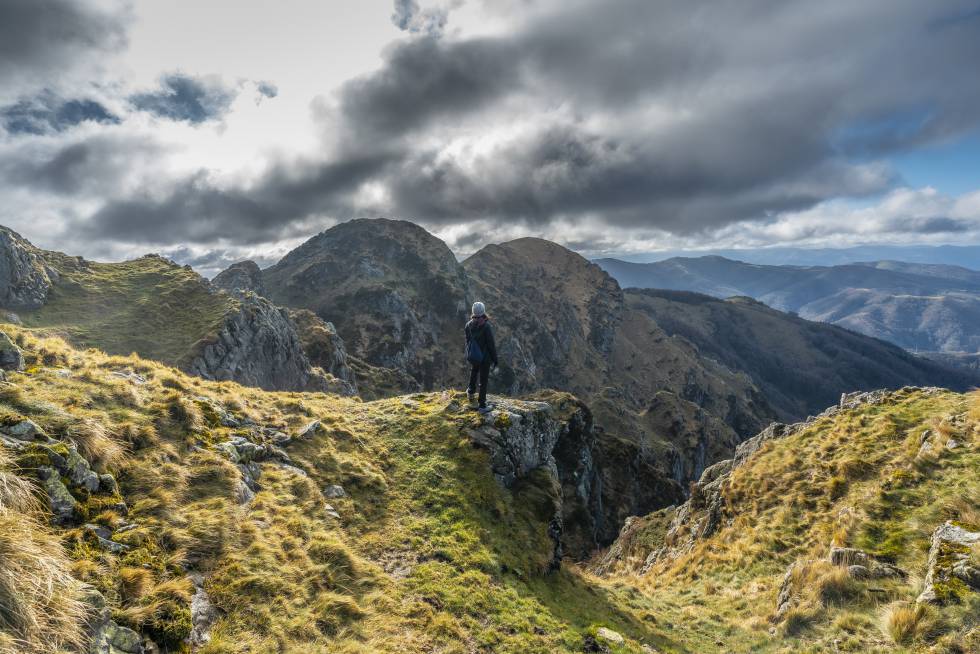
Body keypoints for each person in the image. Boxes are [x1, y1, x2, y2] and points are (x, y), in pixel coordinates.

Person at [464, 301, 498, 412]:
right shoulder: (486, 326)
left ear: (473, 312)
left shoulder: (468, 325)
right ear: (483, 312)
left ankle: (470, 392)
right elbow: (491, 345)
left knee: (474, 371)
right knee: (483, 381)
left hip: (474, 355)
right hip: (485, 358)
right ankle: (482, 405)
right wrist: (495, 359)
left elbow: (468, 341)